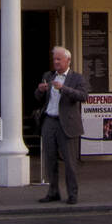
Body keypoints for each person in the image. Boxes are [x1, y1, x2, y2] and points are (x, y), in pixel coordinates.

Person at [36, 46, 88, 204]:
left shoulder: (77, 78)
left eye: (59, 59)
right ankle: (53, 192)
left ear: (68, 60)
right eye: (54, 59)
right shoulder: (48, 75)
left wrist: (64, 88)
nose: (56, 62)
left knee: (69, 161)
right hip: (49, 120)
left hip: (67, 123)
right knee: (50, 159)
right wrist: (40, 90)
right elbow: (38, 98)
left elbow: (83, 96)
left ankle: (72, 194)